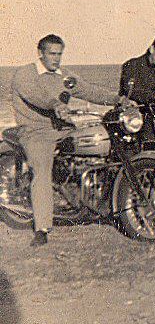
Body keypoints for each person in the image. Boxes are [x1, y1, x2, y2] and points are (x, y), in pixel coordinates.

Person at [10, 35, 121, 246]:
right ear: (40, 53)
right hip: (36, 131)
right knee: (42, 171)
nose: (56, 58)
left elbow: (88, 90)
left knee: (98, 146)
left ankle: (91, 200)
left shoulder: (64, 76)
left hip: (64, 128)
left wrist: (117, 99)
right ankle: (42, 228)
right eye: (52, 54)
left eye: (59, 54)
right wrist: (55, 104)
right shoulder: (25, 74)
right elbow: (36, 95)